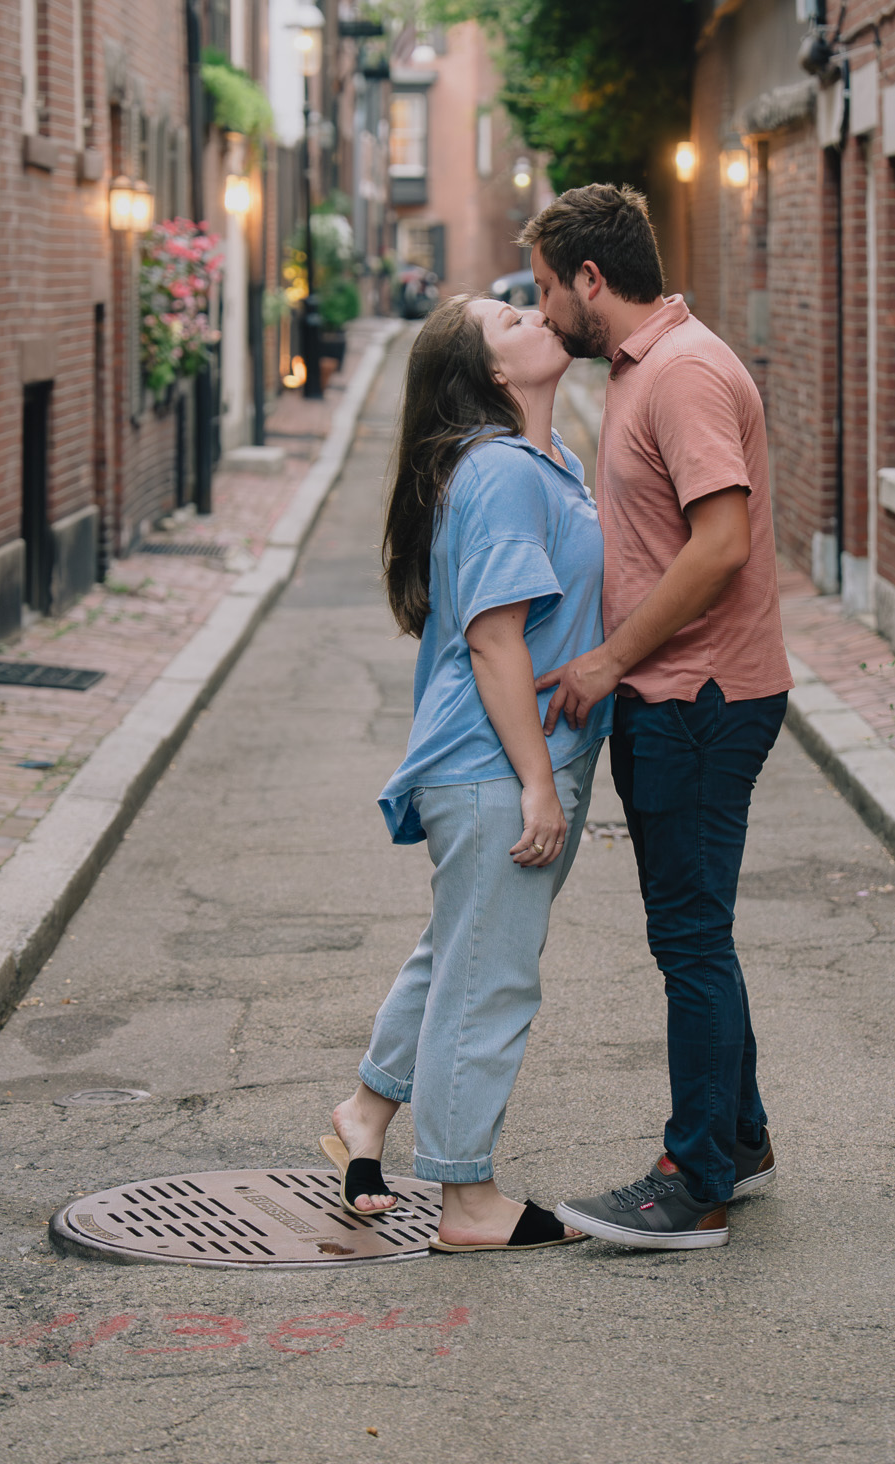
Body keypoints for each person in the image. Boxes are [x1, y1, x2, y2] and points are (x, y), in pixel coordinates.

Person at [522, 183, 791, 1251]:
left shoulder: (679, 375)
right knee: (700, 928)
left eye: (548, 288)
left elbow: (720, 541)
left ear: (593, 278)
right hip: (683, 692)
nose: (543, 313)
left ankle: (694, 1180)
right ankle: (742, 1133)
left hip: (697, 695)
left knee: (689, 937)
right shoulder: (648, 368)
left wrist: (610, 657)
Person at [323, 294, 610, 1252]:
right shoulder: (497, 473)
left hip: (500, 760)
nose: (536, 313)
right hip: (497, 764)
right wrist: (537, 781)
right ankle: (466, 1198)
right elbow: (494, 640)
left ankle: (366, 1113)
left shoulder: (546, 461)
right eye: (511, 319)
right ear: (491, 374)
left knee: (460, 949)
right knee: (490, 979)